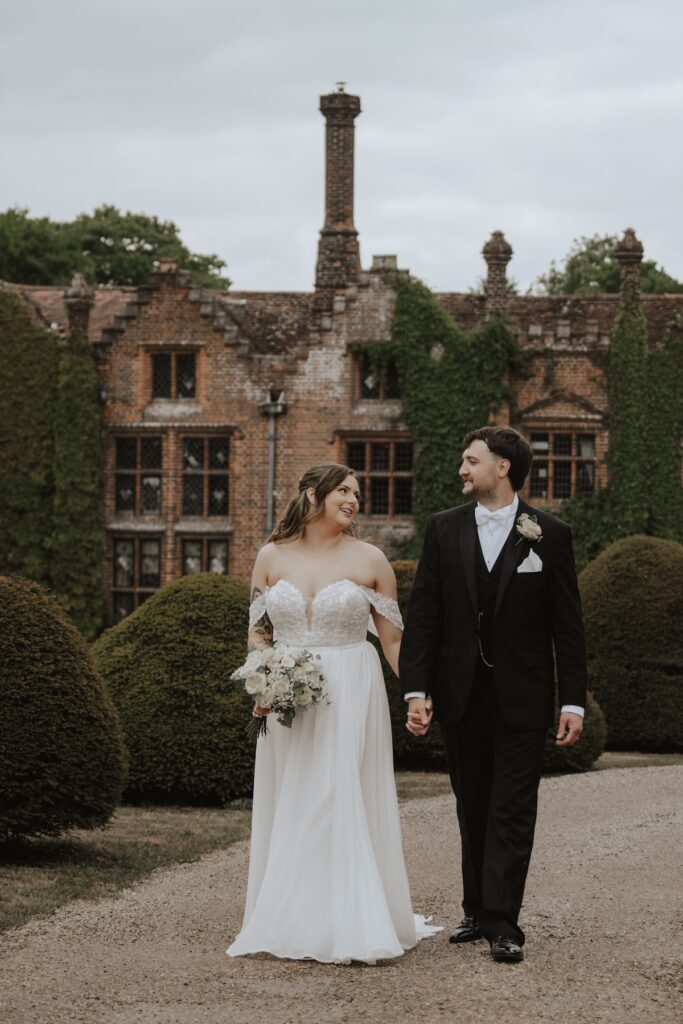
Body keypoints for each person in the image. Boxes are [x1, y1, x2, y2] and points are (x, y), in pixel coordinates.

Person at [227, 463, 440, 964]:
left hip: (350, 686)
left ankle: (351, 918)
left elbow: (392, 640)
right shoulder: (270, 556)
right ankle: (292, 916)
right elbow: (259, 629)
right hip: (288, 692)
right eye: (343, 490)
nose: (353, 500)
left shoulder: (370, 560)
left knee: (337, 793)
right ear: (311, 495)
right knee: (295, 796)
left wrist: (415, 694)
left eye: (358, 493)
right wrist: (263, 674)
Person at [400, 426, 587, 964]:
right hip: (460, 697)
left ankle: (504, 923)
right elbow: (425, 618)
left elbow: (567, 627)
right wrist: (417, 689)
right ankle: (476, 908)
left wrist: (572, 700)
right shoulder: (442, 530)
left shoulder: (548, 534)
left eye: (470, 460)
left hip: (523, 699)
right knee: (472, 805)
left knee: (511, 809)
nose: (462, 469)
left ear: (502, 467)